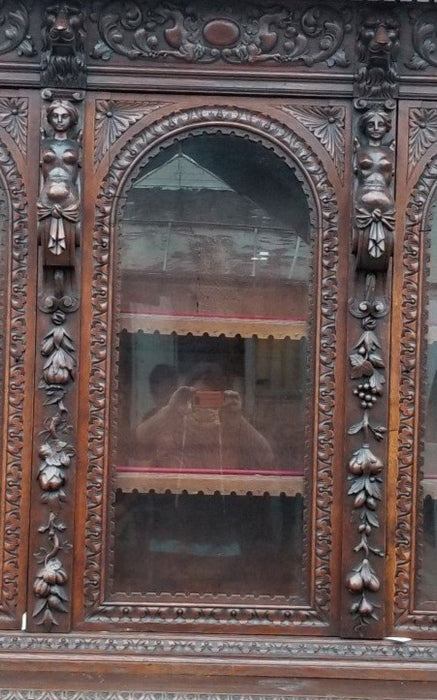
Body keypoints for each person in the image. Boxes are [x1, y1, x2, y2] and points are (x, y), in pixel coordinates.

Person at [136, 362, 274, 470]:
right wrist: (171, 410)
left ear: (222, 400)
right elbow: (138, 442)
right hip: (174, 502)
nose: (204, 405)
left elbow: (267, 458)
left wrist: (239, 420)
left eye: (211, 399)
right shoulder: (174, 424)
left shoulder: (233, 428)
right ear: (187, 396)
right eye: (198, 398)